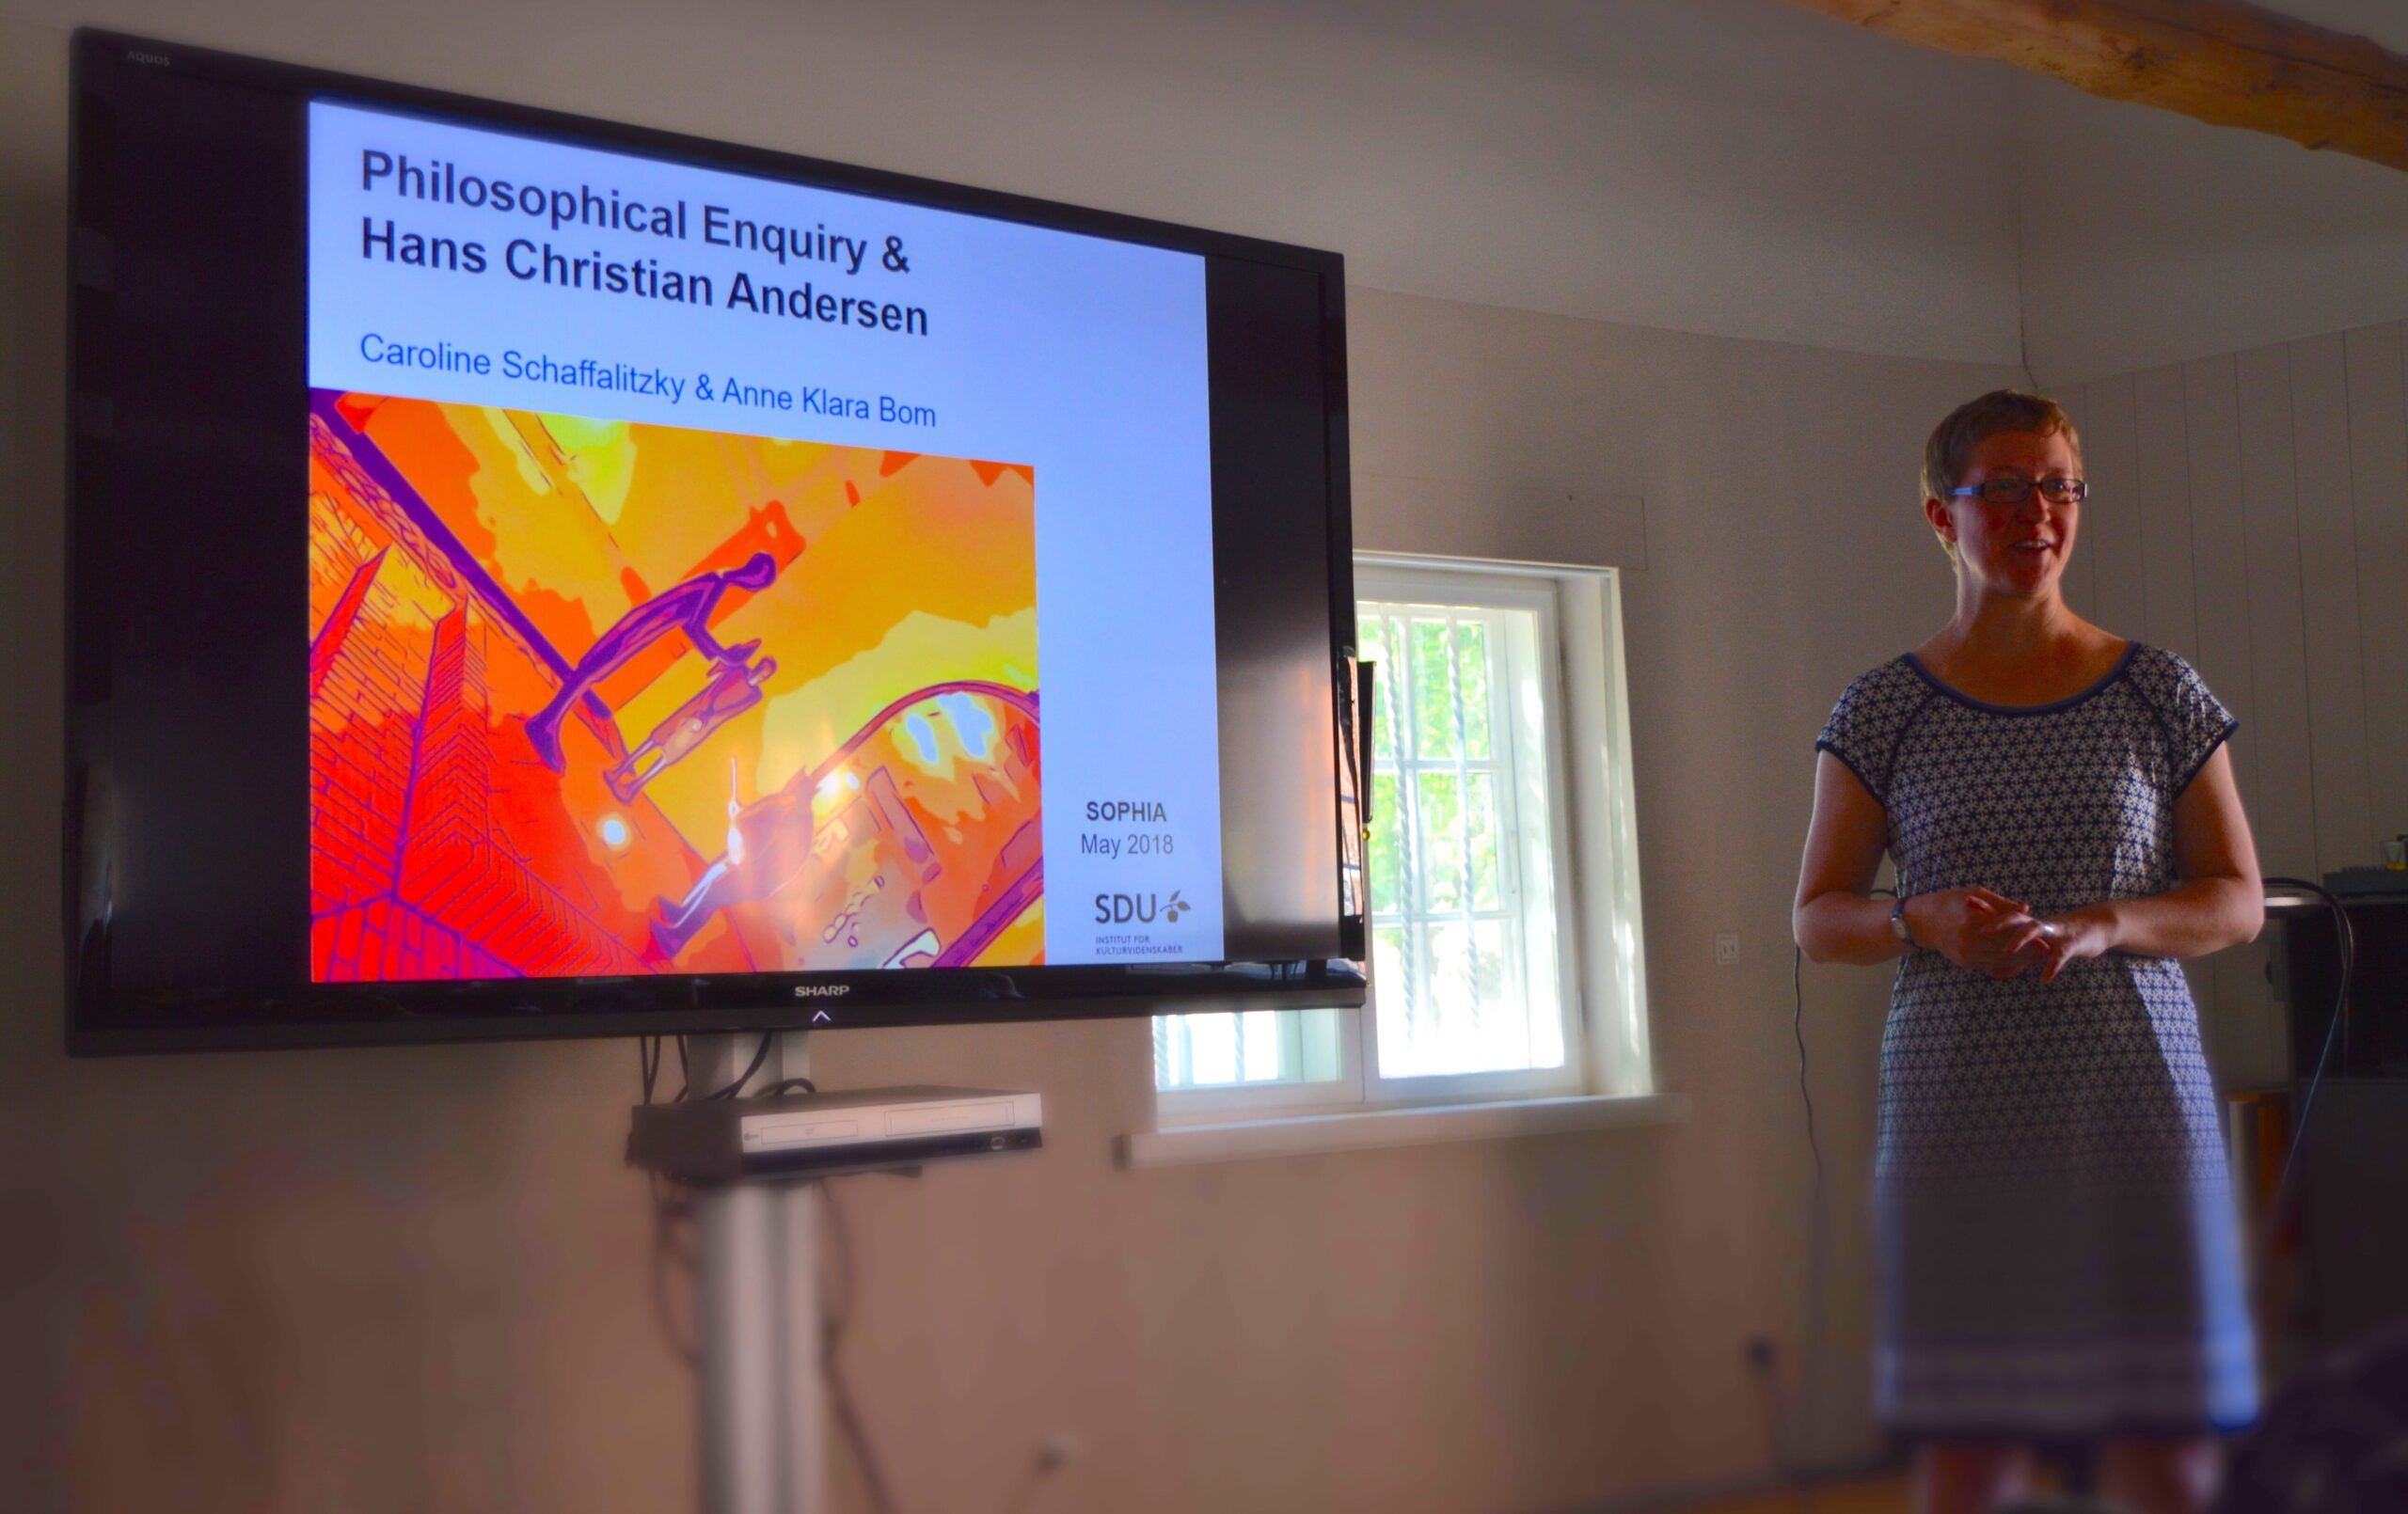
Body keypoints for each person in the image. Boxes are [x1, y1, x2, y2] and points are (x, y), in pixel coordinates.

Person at [1793, 391, 2266, 1514]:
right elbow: (1815, 916)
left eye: (2056, 486)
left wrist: (2101, 924)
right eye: (2001, 487)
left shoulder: (2160, 692)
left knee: (2167, 1461)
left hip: (2136, 1111)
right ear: (1940, 515)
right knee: (1973, 1462)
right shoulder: (1882, 709)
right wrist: (1920, 919)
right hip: (1962, 1123)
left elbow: (2236, 900)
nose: (2034, 512)